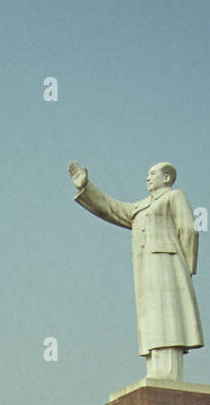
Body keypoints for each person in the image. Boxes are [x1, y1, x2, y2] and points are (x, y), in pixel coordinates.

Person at [68, 160, 203, 381]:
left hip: (168, 262)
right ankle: (155, 368)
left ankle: (169, 372)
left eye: (153, 174)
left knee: (168, 315)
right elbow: (112, 208)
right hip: (146, 268)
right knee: (152, 316)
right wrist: (86, 187)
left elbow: (189, 230)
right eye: (147, 174)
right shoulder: (141, 206)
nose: (148, 178)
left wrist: (185, 271)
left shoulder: (174, 196)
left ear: (166, 178)